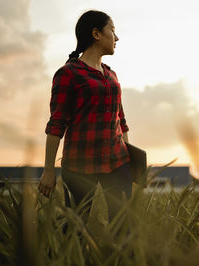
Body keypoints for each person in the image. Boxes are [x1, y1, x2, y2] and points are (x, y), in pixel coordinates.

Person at [38, 10, 132, 220]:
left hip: (117, 163)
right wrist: (48, 170)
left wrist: (130, 157)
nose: (117, 38)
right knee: (75, 228)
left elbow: (121, 121)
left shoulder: (111, 75)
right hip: (80, 166)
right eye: (113, 31)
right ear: (96, 34)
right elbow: (56, 124)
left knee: (124, 227)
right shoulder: (68, 74)